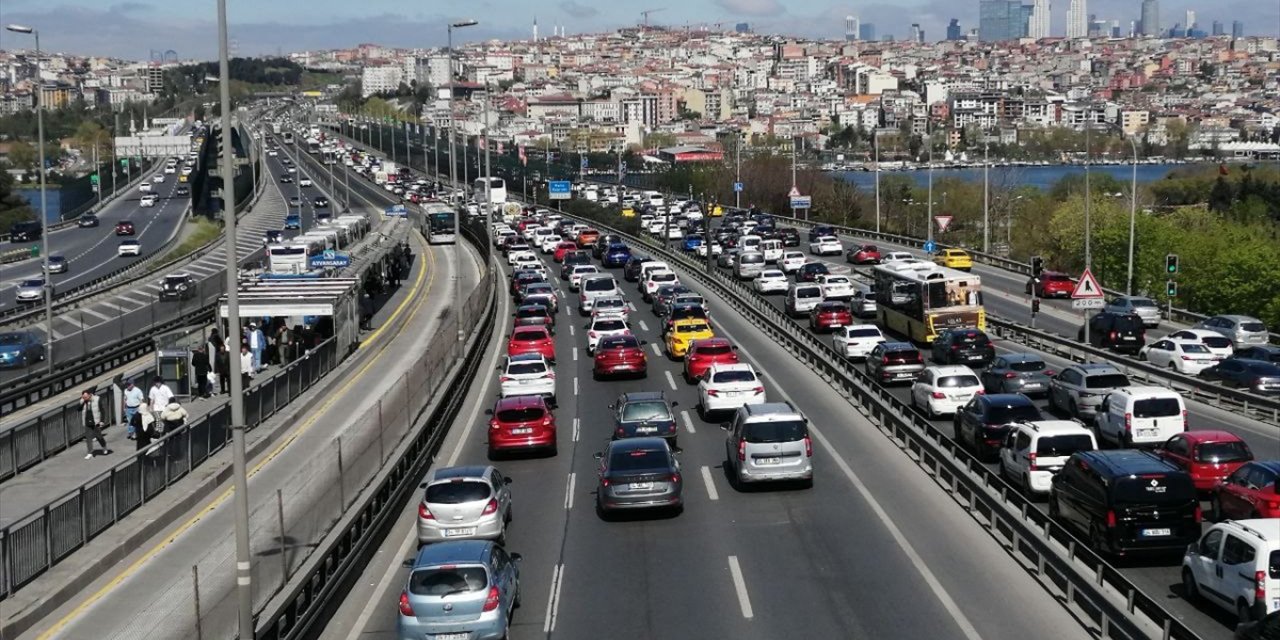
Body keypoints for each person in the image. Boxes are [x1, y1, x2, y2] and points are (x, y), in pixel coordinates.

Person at [80, 388, 110, 459]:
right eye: (83, 397)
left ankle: (104, 447)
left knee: (99, 436)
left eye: (86, 397)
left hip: (96, 421)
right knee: (88, 438)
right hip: (87, 421)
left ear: (90, 395)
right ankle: (90, 452)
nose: (85, 398)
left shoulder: (97, 399)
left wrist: (102, 421)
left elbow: (102, 410)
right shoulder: (82, 401)